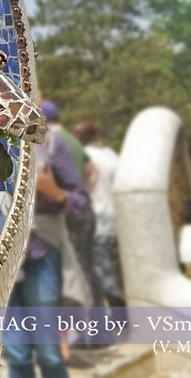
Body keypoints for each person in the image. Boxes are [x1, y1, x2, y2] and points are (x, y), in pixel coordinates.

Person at [4, 122, 93, 378]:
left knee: (49, 353)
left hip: (40, 254)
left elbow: (81, 206)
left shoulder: (52, 144)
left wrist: (53, 191)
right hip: (1, 263)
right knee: (17, 357)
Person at [73, 121, 125, 311]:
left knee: (102, 274)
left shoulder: (85, 158)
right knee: (117, 272)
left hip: (97, 221)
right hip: (119, 222)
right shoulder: (113, 156)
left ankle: (120, 320)